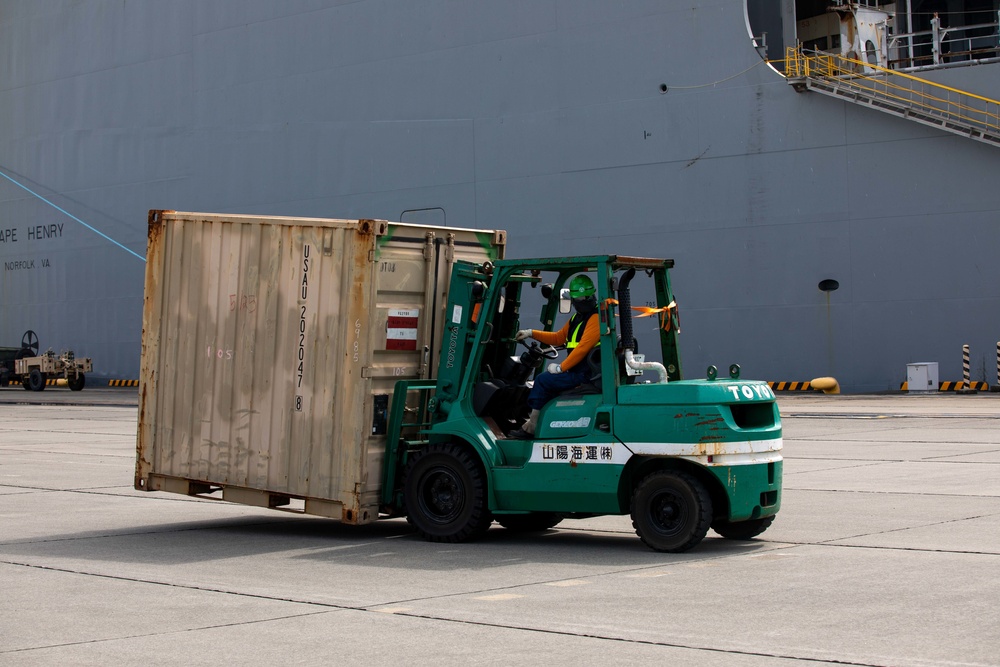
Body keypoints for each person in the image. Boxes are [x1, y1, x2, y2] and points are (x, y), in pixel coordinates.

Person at [509, 275, 601, 439]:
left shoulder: (596, 318)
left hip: (584, 374)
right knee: (547, 383)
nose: (581, 301)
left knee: (543, 380)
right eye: (578, 298)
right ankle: (537, 423)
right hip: (578, 371)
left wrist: (561, 368)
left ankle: (531, 427)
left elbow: (582, 348)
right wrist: (531, 333)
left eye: (583, 297)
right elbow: (559, 337)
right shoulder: (577, 318)